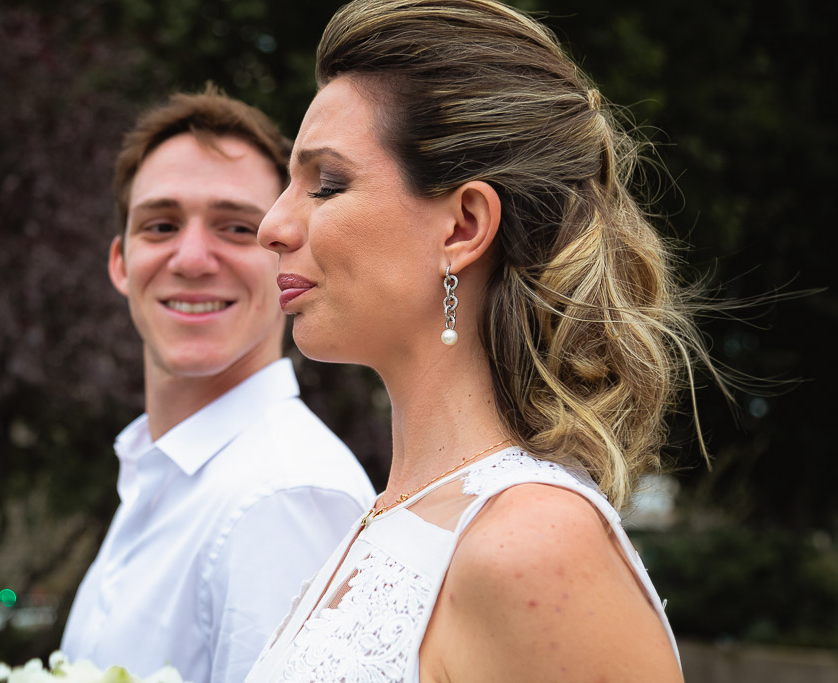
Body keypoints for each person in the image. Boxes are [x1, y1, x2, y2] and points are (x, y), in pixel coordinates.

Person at [247, 1, 707, 680]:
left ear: (463, 226)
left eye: (327, 184)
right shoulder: (385, 516)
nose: (273, 226)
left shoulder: (534, 545)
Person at [61, 86, 376, 683]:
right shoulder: (157, 477)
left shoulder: (284, 496)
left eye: (235, 227)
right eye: (160, 225)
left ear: (286, 256)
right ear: (121, 263)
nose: (193, 259)